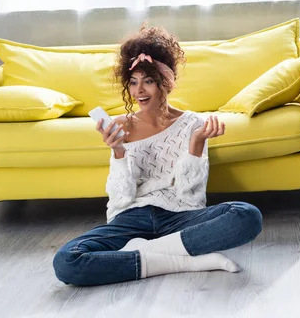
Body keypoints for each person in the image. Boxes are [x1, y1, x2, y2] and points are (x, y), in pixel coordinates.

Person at [53, 25, 263, 286]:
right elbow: (121, 197)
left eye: (148, 81)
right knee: (66, 261)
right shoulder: (119, 126)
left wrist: (196, 144)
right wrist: (118, 152)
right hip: (131, 218)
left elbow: (189, 196)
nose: (139, 91)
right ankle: (183, 260)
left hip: (179, 216)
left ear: (167, 81)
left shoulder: (193, 125)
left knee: (246, 216)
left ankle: (145, 255)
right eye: (133, 82)